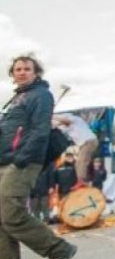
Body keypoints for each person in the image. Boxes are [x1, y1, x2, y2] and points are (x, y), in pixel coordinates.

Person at [0, 54, 78, 258]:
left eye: (27, 68)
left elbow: (40, 130)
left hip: (22, 162)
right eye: (18, 69)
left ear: (36, 73)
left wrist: (21, 158)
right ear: (13, 74)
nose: (22, 72)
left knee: (12, 215)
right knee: (1, 219)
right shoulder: (16, 98)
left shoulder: (41, 94)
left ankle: (59, 250)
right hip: (5, 160)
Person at [51, 112, 98, 187]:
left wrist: (53, 116)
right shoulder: (70, 124)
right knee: (79, 163)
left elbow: (66, 121)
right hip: (86, 143)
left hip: (88, 141)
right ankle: (82, 180)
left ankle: (81, 181)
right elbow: (60, 126)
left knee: (81, 162)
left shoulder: (73, 119)